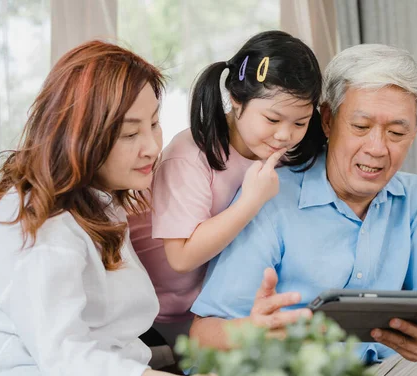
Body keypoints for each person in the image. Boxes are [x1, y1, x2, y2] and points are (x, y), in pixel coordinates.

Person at [189, 44, 417, 376]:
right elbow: (201, 334)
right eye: (361, 126)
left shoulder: (416, 199)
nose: (377, 148)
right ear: (327, 120)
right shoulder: (270, 196)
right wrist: (256, 331)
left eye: (396, 133)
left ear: (415, 134)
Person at [0, 40, 211, 376]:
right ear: (80, 137)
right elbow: (66, 357)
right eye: (130, 134)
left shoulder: (97, 201)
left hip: (68, 370)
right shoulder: (42, 227)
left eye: (155, 123)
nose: (151, 146)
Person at [128, 30, 325, 349]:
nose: (285, 135)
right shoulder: (190, 155)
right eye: (273, 119)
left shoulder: (281, 154)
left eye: (300, 123)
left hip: (219, 310)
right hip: (161, 316)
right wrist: (250, 202)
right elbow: (180, 257)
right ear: (236, 99)